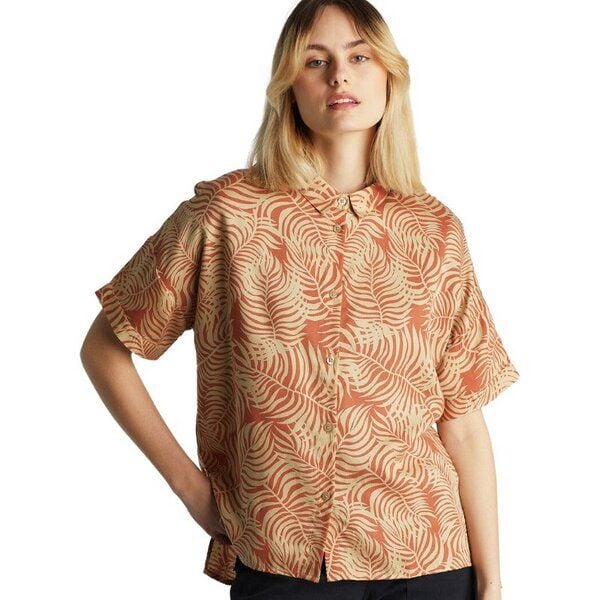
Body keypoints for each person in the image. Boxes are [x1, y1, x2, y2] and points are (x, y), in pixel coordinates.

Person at [81, 1, 519, 599]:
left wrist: (491, 581)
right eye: (316, 61)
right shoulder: (227, 216)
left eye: (359, 57)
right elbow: (105, 348)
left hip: (433, 559)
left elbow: (461, 420)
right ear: (289, 85)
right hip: (285, 563)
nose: (340, 76)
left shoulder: (435, 230)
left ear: (389, 75)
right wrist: (191, 488)